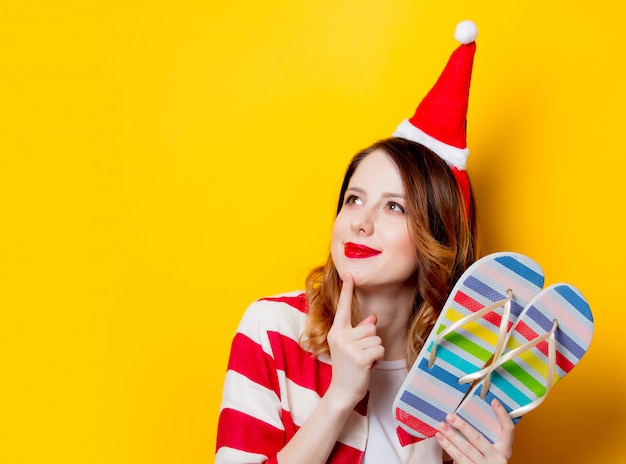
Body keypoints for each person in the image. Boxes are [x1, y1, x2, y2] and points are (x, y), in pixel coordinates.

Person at [216, 21, 516, 464]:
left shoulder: (463, 371)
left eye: (395, 207)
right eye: (354, 199)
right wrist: (341, 395)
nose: (361, 222)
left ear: (438, 235)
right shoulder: (272, 330)